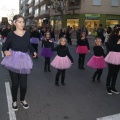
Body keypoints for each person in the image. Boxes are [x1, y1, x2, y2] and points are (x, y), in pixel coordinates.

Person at [1, 14, 37, 111]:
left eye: (23, 21)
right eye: (20, 21)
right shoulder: (11, 34)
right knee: (15, 83)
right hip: (13, 59)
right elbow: (4, 46)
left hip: (24, 60)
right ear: (15, 23)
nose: (22, 23)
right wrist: (5, 51)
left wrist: (33, 51)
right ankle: (14, 101)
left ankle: (22, 99)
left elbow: (29, 45)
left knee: (24, 85)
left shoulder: (27, 33)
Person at [105, 24, 120, 95]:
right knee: (110, 73)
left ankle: (113, 86)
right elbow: (111, 48)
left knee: (116, 73)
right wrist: (118, 43)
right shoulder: (112, 37)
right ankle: (108, 87)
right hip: (113, 56)